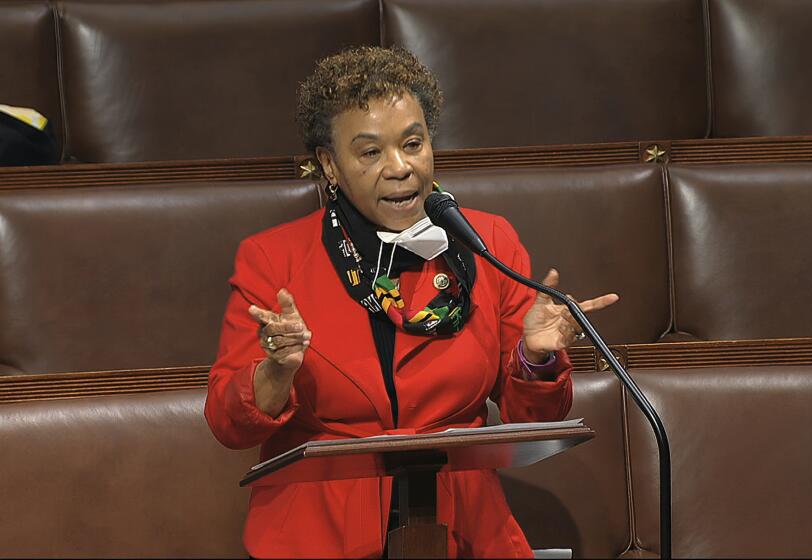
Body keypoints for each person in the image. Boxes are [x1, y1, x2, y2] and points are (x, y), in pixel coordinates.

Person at [204, 46, 618, 558]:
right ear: (330, 164)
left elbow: (533, 416)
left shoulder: (489, 242)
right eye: (371, 152)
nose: (400, 168)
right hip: (319, 533)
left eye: (413, 144)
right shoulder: (273, 259)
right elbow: (229, 424)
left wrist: (535, 358)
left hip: (464, 530)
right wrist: (277, 371)